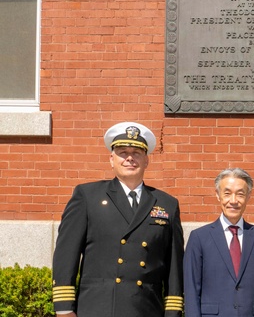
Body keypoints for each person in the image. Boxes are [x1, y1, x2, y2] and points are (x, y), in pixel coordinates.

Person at [52, 122, 184, 317]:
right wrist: (64, 309)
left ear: (146, 160)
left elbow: (174, 266)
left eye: (136, 153)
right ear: (111, 159)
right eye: (122, 153)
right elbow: (66, 253)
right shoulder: (88, 196)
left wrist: (172, 311)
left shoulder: (167, 204)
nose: (129, 158)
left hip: (146, 309)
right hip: (98, 307)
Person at [183, 167, 254, 317]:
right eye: (227, 193)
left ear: (248, 196)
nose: (233, 201)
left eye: (240, 194)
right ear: (218, 195)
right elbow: (191, 289)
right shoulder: (199, 238)